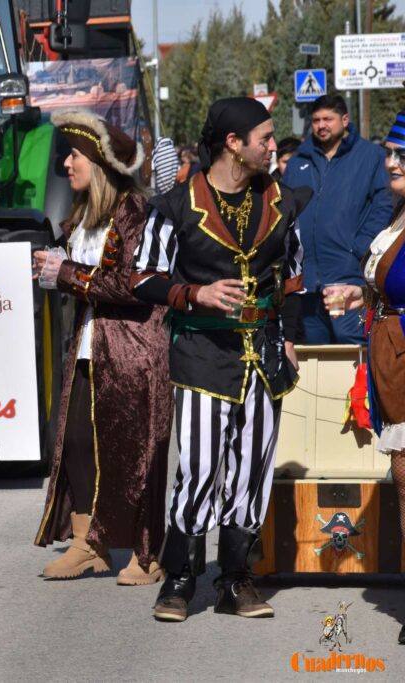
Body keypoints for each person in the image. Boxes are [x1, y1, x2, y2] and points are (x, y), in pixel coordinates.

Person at [131, 97, 308, 622]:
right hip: (204, 353)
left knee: (252, 469)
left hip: (264, 354)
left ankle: (235, 580)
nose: (273, 146)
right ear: (234, 144)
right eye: (266, 138)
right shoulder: (177, 204)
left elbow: (294, 278)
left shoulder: (278, 199)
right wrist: (194, 294)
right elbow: (142, 279)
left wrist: (292, 338)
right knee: (202, 468)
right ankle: (181, 578)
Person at [33, 110, 171, 585]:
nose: (66, 165)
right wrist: (56, 269)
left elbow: (137, 285)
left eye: (74, 156)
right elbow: (91, 282)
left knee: (134, 453)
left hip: (133, 351)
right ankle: (86, 544)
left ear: (100, 164)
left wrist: (66, 274)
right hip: (90, 347)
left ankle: (146, 553)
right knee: (74, 444)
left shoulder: (136, 215)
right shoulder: (81, 218)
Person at [320, 111, 405, 644]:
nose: (391, 162)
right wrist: (360, 295)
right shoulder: (400, 213)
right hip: (394, 360)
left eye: (401, 155)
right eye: (392, 153)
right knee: (403, 478)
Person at [281, 95, 393, 344]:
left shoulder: (371, 156)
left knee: (352, 345)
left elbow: (383, 206)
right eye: (316, 120)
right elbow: (284, 209)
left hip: (349, 277)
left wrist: (361, 247)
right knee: (316, 353)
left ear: (344, 120)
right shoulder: (299, 160)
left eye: (328, 119)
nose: (321, 125)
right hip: (308, 284)